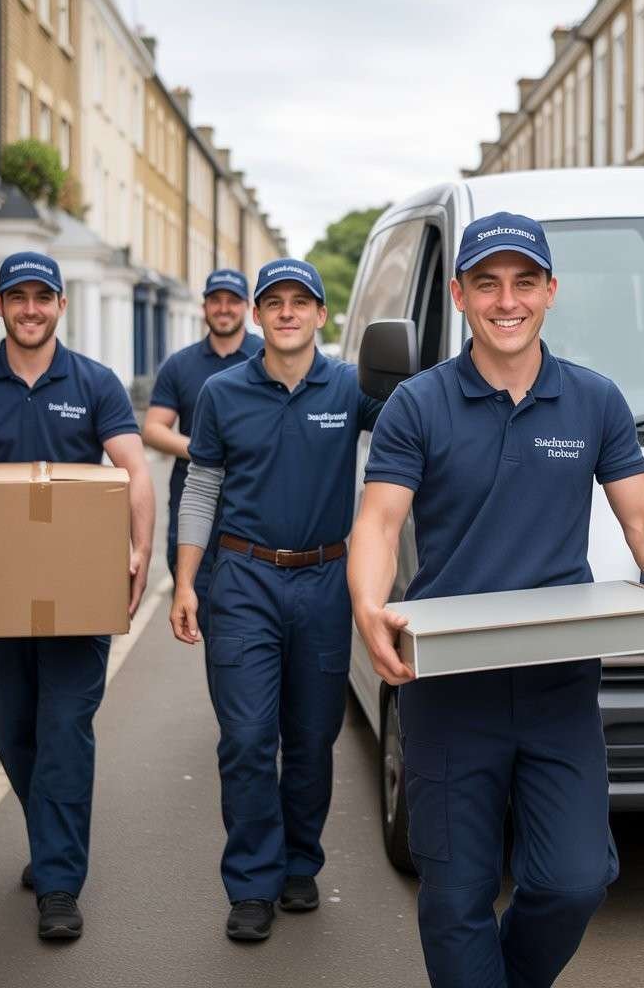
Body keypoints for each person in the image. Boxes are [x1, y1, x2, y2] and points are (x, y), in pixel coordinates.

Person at [348, 212, 644, 988]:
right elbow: (377, 525)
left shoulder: (593, 401)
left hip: (556, 687)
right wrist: (369, 607)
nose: (505, 301)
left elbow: (642, 518)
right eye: (487, 284)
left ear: (551, 291)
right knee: (455, 898)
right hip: (447, 693)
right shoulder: (417, 405)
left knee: (574, 880)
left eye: (522, 282)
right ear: (460, 294)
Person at [0, 251, 154, 941]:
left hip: (80, 595)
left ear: (59, 305)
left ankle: (58, 884)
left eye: (41, 296)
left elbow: (134, 468)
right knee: (14, 729)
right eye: (16, 297)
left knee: (63, 734)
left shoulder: (96, 383)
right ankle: (51, 834)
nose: (30, 308)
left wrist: (140, 549)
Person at [169, 258, 383, 941]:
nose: (287, 312)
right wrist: (184, 581)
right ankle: (253, 882)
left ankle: (300, 863)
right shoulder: (223, 394)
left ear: (323, 315)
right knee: (247, 739)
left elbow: (424, 418)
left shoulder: (351, 387)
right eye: (275, 302)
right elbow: (202, 487)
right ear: (258, 317)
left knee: (312, 737)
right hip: (242, 580)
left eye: (301, 301)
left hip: (324, 581)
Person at [142, 268, 263, 645]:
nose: (224, 308)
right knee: (212, 626)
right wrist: (205, 452)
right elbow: (153, 428)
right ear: (205, 307)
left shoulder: (266, 355)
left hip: (254, 513)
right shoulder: (180, 364)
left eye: (232, 301)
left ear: (246, 306)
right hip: (196, 510)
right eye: (216, 300)